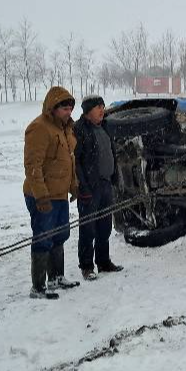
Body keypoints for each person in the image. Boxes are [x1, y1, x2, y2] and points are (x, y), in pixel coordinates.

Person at [24, 86, 80, 299]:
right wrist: (41, 196)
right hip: (42, 195)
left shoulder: (65, 128)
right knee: (43, 238)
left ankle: (56, 277)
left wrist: (73, 186)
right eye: (64, 108)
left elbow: (69, 161)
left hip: (59, 194)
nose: (68, 112)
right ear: (52, 108)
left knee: (60, 235)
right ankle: (38, 287)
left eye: (70, 108)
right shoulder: (39, 128)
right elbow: (32, 166)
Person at [74, 95, 124, 280]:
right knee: (88, 228)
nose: (102, 110)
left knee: (104, 227)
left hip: (105, 183)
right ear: (87, 111)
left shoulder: (104, 127)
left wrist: (115, 177)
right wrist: (83, 187)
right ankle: (87, 266)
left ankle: (103, 262)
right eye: (97, 107)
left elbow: (111, 153)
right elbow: (76, 162)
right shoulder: (79, 130)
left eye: (103, 106)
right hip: (90, 187)